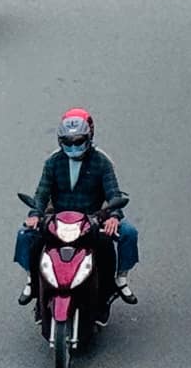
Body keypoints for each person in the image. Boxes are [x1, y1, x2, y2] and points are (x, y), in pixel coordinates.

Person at [17, 109, 138, 305]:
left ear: (89, 137)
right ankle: (32, 279)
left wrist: (113, 216)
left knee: (128, 233)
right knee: (25, 235)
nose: (73, 146)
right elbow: (42, 192)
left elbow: (113, 192)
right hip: (57, 219)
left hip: (92, 219)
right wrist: (35, 214)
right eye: (68, 142)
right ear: (60, 141)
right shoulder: (53, 162)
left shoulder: (102, 162)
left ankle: (119, 280)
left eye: (78, 141)